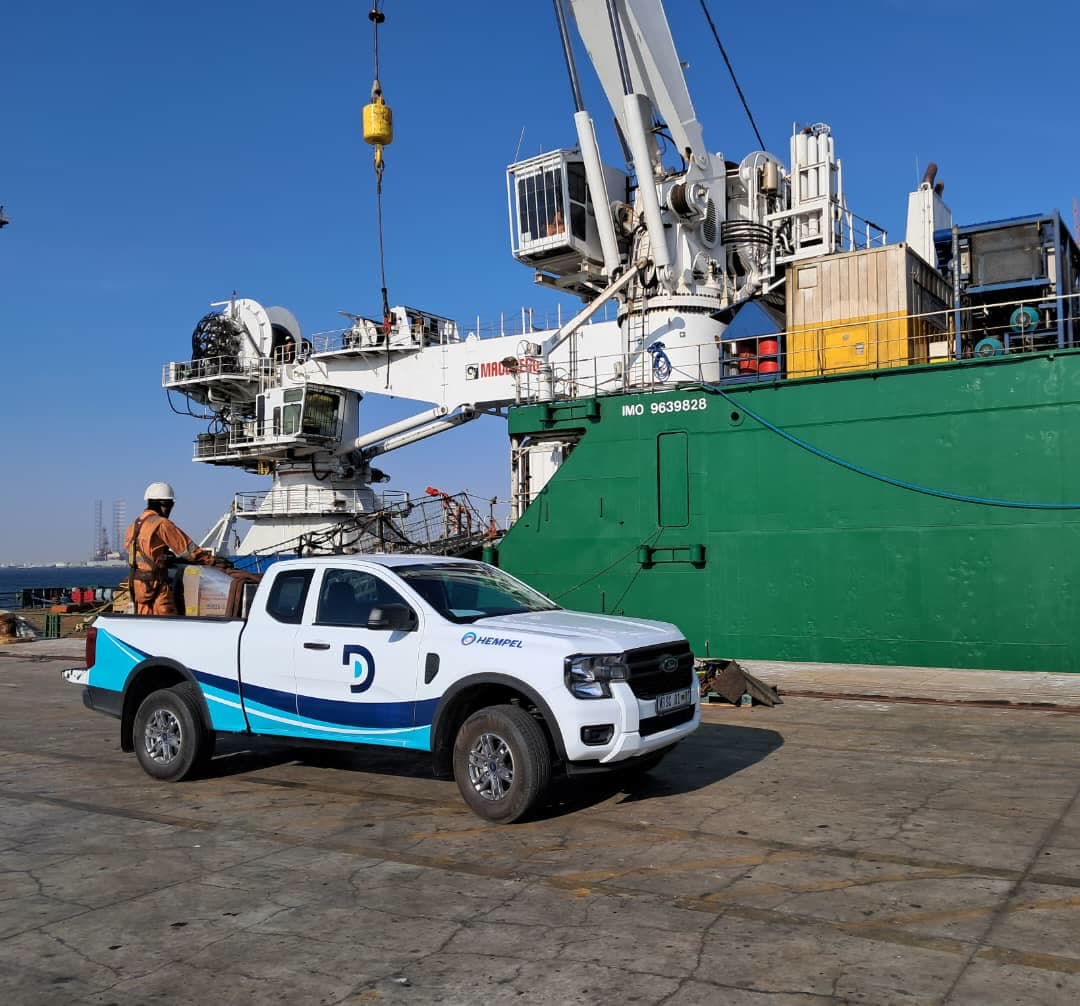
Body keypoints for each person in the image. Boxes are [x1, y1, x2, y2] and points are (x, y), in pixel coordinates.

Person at [125, 481, 231, 616]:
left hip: (138, 585)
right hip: (156, 585)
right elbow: (187, 549)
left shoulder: (134, 525)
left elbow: (141, 553)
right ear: (164, 504)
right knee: (168, 622)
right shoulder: (161, 524)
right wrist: (212, 561)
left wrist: (164, 557)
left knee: (144, 622)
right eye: (170, 505)